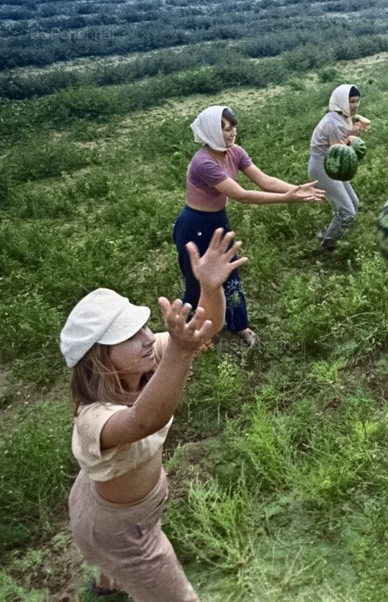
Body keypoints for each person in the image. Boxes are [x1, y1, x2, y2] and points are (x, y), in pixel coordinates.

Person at [63, 228, 243, 601]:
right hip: (116, 526)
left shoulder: (143, 360)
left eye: (144, 326)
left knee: (112, 558)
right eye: (129, 335)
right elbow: (145, 420)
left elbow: (205, 326)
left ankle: (107, 584)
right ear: (99, 360)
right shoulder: (93, 419)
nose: (147, 337)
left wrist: (209, 287)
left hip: (123, 505)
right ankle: (116, 574)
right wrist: (178, 350)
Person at [175, 106, 323, 347]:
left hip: (217, 222)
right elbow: (242, 195)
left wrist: (293, 189)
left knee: (230, 276)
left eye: (234, 127)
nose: (233, 133)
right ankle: (197, 333)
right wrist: (287, 198)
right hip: (194, 226)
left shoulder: (234, 152)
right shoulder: (204, 162)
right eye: (226, 129)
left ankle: (238, 325)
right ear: (211, 132)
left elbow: (264, 180)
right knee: (198, 281)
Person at [308, 84, 371, 252]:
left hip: (330, 165)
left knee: (353, 204)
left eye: (357, 101)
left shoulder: (341, 116)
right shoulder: (334, 124)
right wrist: (354, 136)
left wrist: (354, 130)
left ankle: (334, 236)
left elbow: (345, 137)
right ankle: (329, 244)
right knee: (347, 212)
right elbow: (339, 154)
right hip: (324, 167)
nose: (355, 105)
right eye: (351, 101)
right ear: (341, 101)